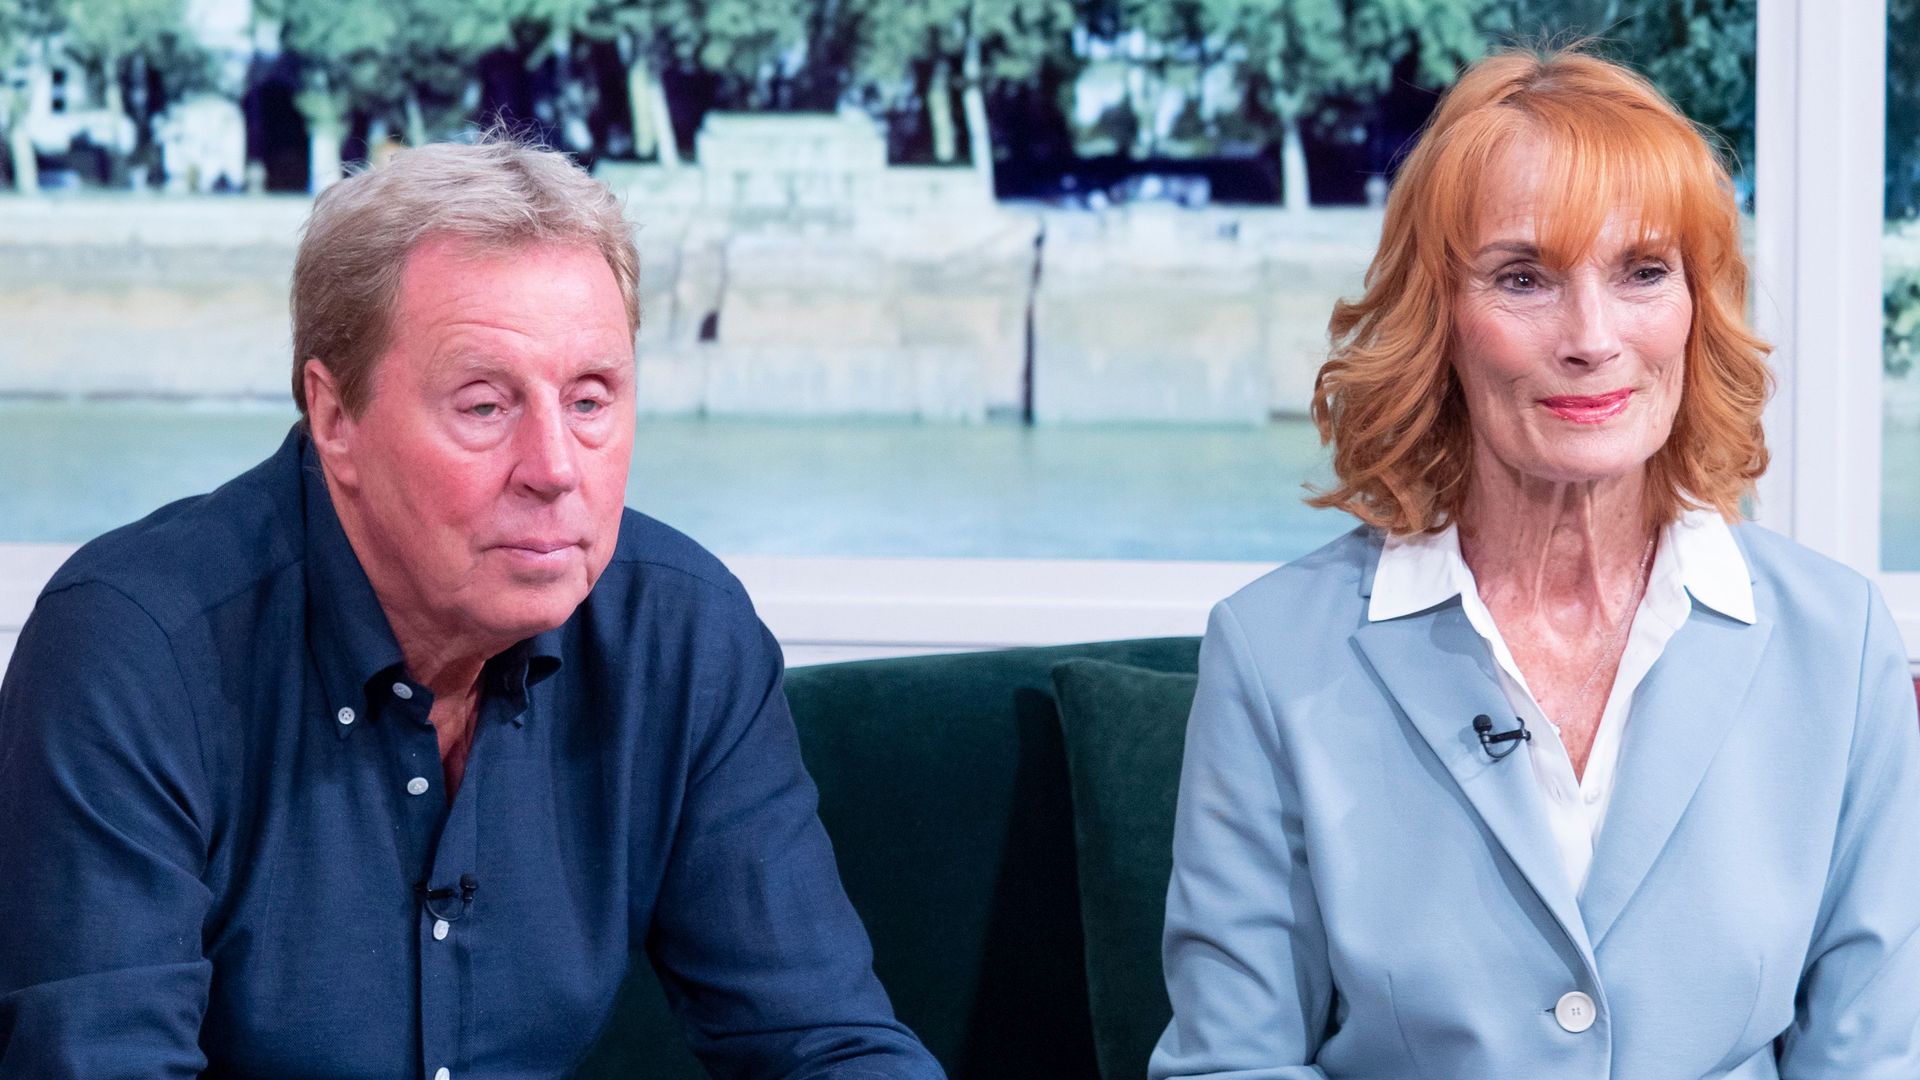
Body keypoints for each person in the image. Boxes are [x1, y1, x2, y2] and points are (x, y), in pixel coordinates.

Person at [0, 136, 944, 1079]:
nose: (555, 470)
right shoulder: (134, 650)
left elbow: (822, 1041)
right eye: (485, 406)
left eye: (591, 398)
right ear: (336, 418)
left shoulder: (683, 633)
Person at [1151, 47, 1920, 1080]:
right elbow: (1227, 1068)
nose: (1593, 338)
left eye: (1643, 272)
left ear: (1697, 310)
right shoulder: (1274, 653)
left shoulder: (1841, 642)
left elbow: (1870, 1060)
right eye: (1523, 278)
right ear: (1440, 324)